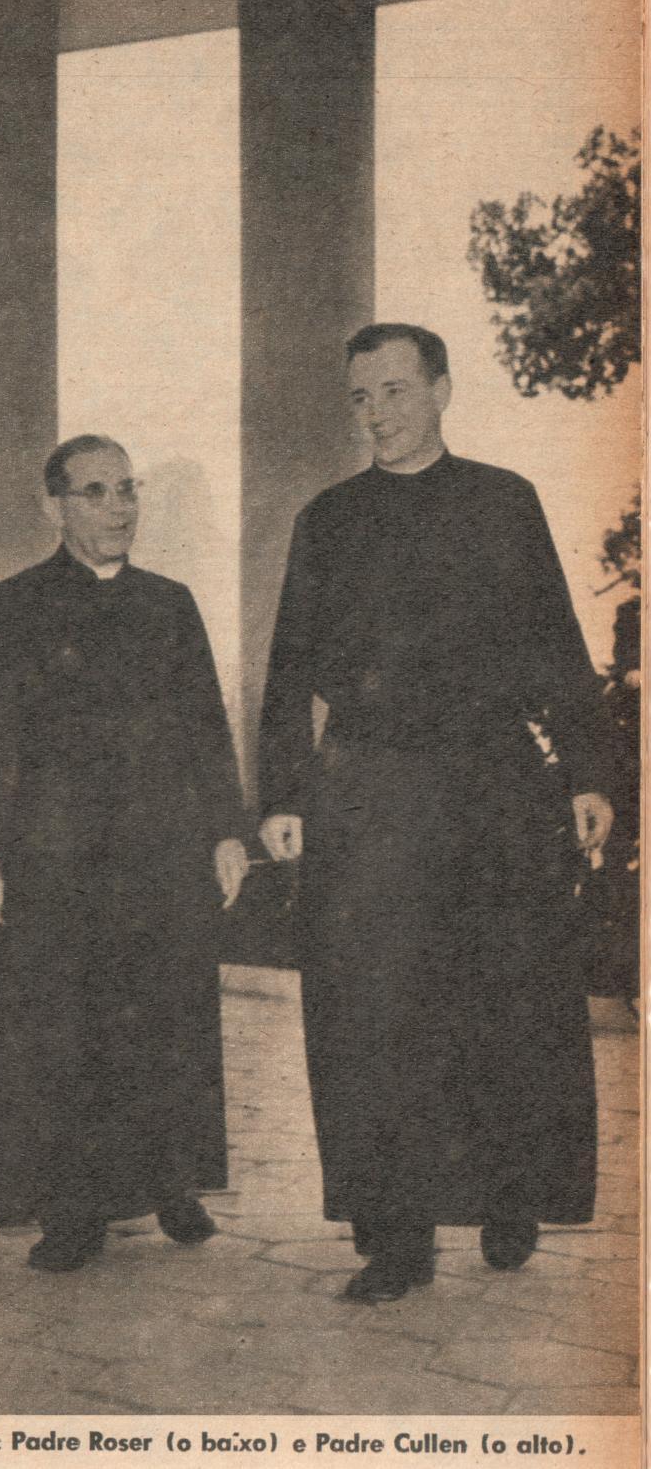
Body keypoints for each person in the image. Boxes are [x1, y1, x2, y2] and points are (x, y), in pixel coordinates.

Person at [258, 323, 614, 1303]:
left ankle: (509, 1196)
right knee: (376, 1017)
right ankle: (397, 1238)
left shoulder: (505, 503)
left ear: (442, 390)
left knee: (505, 1000)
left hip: (497, 787)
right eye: (359, 397)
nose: (375, 413)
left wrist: (588, 776)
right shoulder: (327, 521)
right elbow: (289, 671)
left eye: (394, 391)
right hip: (370, 792)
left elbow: (555, 648)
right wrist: (282, 796)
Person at [0, 433, 249, 1272]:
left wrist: (226, 829)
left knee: (163, 1027)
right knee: (64, 1037)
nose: (119, 508)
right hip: (56, 863)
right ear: (53, 506)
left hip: (162, 857)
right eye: (96, 492)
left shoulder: (171, 604)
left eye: (128, 489)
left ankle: (171, 1183)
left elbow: (206, 727)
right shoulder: (9, 607)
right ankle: (72, 1212)